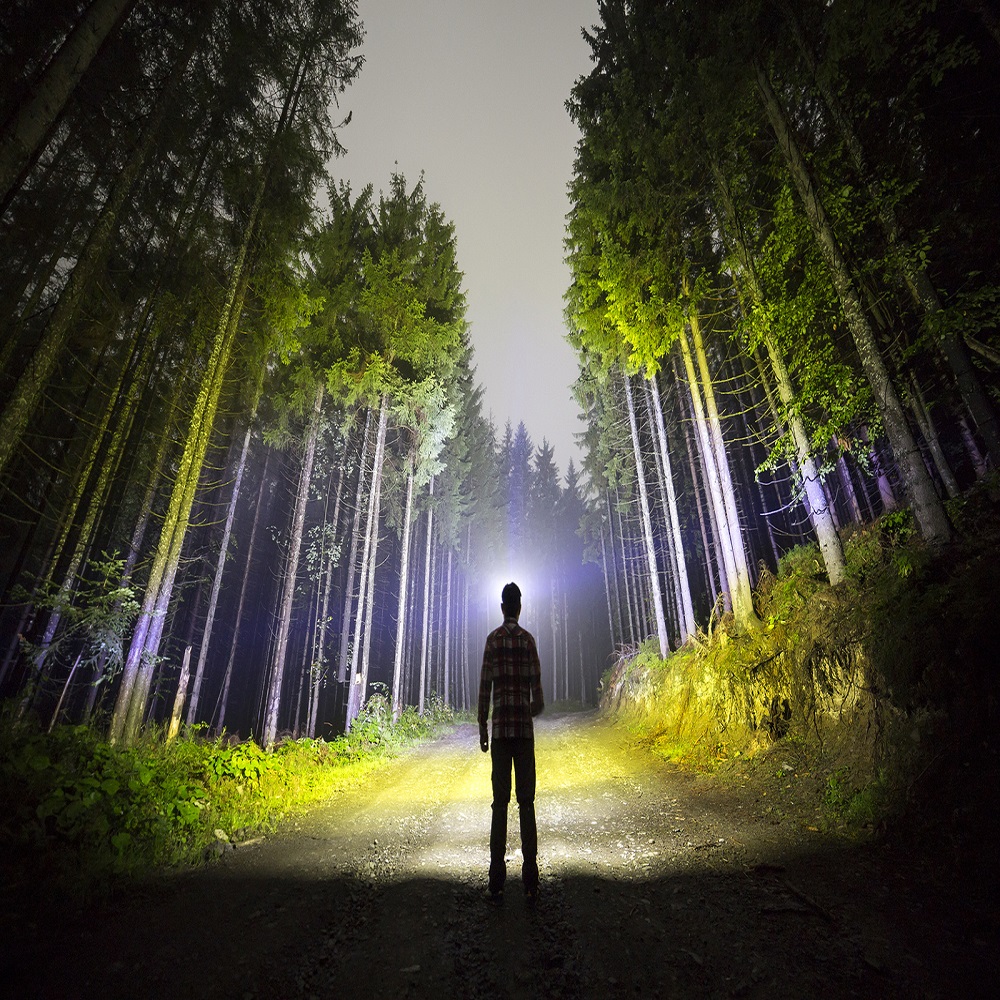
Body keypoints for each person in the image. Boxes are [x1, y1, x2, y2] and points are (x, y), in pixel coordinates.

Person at [478, 581, 544, 901]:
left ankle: (496, 879)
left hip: (501, 734)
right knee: (527, 803)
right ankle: (530, 879)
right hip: (524, 734)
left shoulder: (493, 641)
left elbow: (484, 687)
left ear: (503, 607)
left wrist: (482, 724)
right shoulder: (528, 641)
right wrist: (527, 706)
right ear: (519, 607)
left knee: (499, 804)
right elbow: (539, 696)